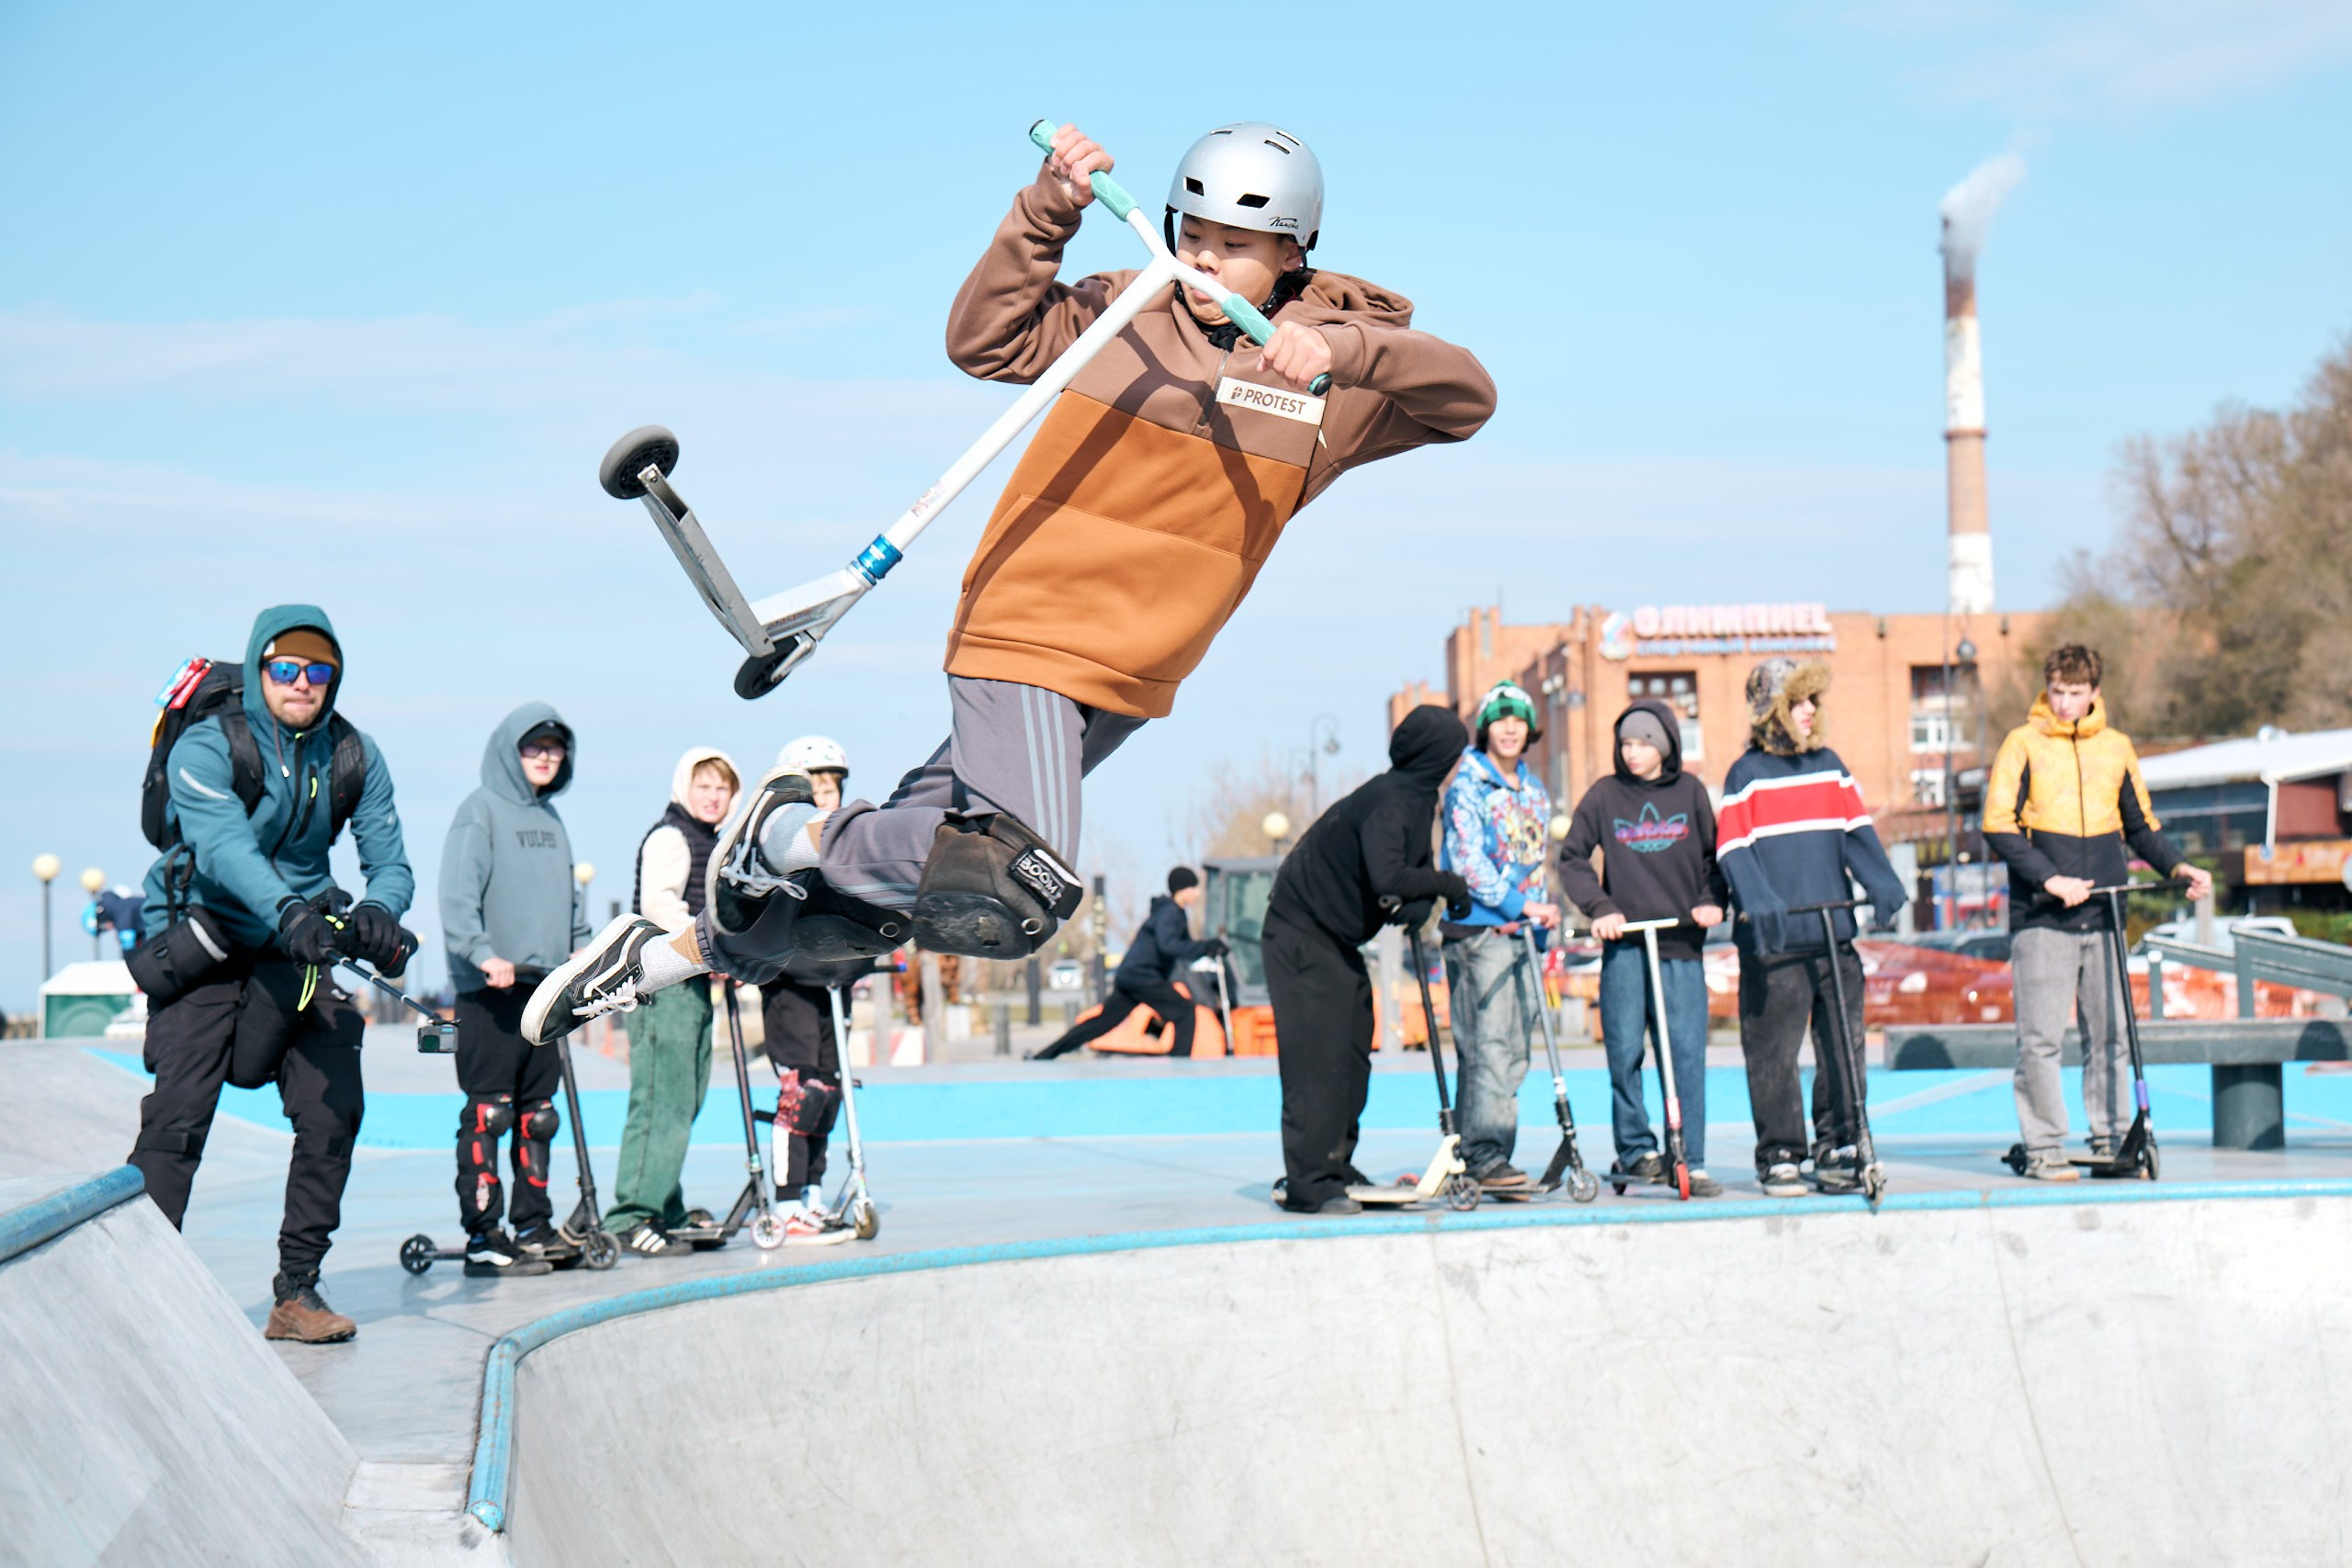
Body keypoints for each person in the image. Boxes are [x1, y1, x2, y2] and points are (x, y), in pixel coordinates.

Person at [526, 119, 1495, 1042]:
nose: (1202, 260)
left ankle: (672, 950)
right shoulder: (1124, 311)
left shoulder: (1333, 388)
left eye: (1234, 246)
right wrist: (1047, 208)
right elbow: (982, 342)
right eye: (1190, 233)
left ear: (1292, 252)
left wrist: (1343, 350)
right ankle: (795, 831)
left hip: (1131, 678)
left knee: (882, 909)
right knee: (1022, 875)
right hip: (1029, 625)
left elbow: (1467, 399)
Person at [128, 605, 413, 1343]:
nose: (303, 682)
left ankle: (297, 1292)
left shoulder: (354, 752)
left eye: (319, 670)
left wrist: (380, 911)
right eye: (286, 667)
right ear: (259, 670)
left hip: (299, 943)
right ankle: (138, 1296)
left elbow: (390, 857)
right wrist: (286, 909)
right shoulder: (209, 745)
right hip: (212, 936)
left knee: (334, 1107)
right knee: (178, 1117)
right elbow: (222, 848)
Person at [1983, 643, 2211, 1180]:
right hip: (2044, 919)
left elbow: (2140, 826)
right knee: (2040, 1040)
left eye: (2075, 693)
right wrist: (2050, 878)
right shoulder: (2023, 744)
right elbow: (1998, 825)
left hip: (2106, 916)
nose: (2063, 703)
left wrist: (2180, 868)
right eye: (2056, 691)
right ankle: (2043, 1146)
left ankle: (2112, 1139)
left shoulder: (2117, 748)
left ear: (2094, 694)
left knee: (2109, 1037)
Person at [1266, 705, 1472, 1215]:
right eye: (1454, 752)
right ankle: (1309, 1183)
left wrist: (1423, 897)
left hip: (1334, 940)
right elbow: (1389, 877)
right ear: (1439, 754)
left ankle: (1334, 1162)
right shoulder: (1391, 800)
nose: (1456, 762)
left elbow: (1407, 877)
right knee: (1318, 1059)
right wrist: (1447, 885)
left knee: (1353, 1050)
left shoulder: (1419, 797)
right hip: (1300, 933)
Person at [1715, 659, 1908, 1199]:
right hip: (1774, 941)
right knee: (1774, 1050)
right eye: (1798, 701)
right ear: (1772, 710)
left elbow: (1855, 833)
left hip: (1832, 934)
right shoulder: (1745, 775)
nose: (1809, 711)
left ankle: (1840, 1142)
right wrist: (1760, 902)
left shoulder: (1830, 767)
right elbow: (1733, 849)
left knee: (1843, 1045)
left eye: (1813, 702)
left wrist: (1883, 882)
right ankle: (1780, 1151)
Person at [437, 704, 588, 1275]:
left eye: (555, 747)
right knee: (491, 1114)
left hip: (547, 990)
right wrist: (481, 954)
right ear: (509, 751)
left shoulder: (553, 819)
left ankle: (532, 1225)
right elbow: (457, 893)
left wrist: (581, 947)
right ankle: (483, 1236)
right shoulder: (480, 811)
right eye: (535, 746)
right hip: (491, 991)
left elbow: (569, 900)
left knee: (539, 1116)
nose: (547, 756)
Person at [1557, 699, 1729, 1196]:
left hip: (1679, 946)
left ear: (1665, 745)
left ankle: (1690, 1156)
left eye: (1643, 743)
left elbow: (1713, 860)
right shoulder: (1606, 796)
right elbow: (1572, 858)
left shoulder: (1691, 792)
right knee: (1625, 1052)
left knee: (1686, 1055)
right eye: (1626, 743)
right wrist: (1600, 907)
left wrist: (1711, 901)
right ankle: (1637, 1150)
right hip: (1627, 948)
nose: (1632, 752)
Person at [596, 748, 740, 1256]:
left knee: (685, 1098)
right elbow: (661, 907)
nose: (713, 796)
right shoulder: (671, 836)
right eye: (703, 785)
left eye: (722, 788)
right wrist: (718, 946)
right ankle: (631, 1213)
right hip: (663, 980)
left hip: (691, 976)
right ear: (684, 788)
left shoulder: (707, 840)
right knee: (661, 1099)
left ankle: (664, 1203)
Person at [1437, 682, 1557, 1194]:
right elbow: (1467, 861)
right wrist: (1517, 904)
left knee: (1515, 1049)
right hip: (1481, 932)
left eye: (1519, 718)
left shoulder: (1534, 792)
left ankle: (1486, 1150)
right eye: (1500, 718)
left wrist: (1541, 919)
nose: (1510, 728)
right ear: (1485, 727)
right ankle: (1484, 1152)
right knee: (1486, 1046)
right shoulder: (1468, 784)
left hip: (1524, 935)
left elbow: (1536, 865)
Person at [757, 736, 862, 1243]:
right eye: (818, 788)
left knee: (829, 1093)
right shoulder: (778, 846)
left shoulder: (845, 848)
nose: (829, 797)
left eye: (834, 787)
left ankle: (813, 1196)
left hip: (833, 986)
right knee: (800, 1094)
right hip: (791, 987)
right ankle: (783, 1205)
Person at [1030, 867, 1226, 1060]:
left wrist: (1207, 948)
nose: (1198, 893)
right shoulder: (1170, 913)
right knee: (1184, 1012)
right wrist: (1206, 946)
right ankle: (1179, 1071)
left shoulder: (1172, 912)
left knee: (1102, 1023)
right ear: (1182, 890)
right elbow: (1169, 946)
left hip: (1131, 976)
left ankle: (1044, 1055)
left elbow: (1182, 947)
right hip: (1143, 977)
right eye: (1194, 888)